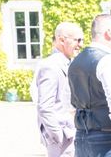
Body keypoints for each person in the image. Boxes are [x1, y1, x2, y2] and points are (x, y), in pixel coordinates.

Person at [68, 14, 111, 157]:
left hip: (82, 138)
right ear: (109, 33)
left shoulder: (75, 62)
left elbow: (71, 105)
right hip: (109, 140)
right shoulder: (108, 61)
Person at [35, 22, 84, 157]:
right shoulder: (50, 66)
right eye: (77, 40)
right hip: (62, 138)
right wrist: (58, 135)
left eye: (82, 40)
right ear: (62, 40)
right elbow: (45, 107)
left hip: (71, 133)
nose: (80, 44)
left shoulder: (68, 63)